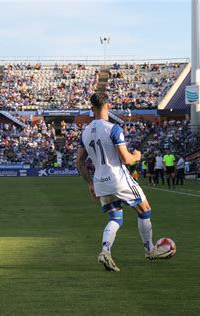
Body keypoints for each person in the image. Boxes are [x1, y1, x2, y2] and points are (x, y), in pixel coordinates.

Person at [76, 93, 169, 272]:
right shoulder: (113, 129)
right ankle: (150, 250)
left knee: (115, 218)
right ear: (108, 106)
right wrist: (137, 156)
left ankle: (105, 251)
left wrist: (89, 183)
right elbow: (126, 159)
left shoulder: (85, 132)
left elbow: (79, 162)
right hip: (118, 178)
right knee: (145, 210)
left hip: (100, 181)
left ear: (91, 108)